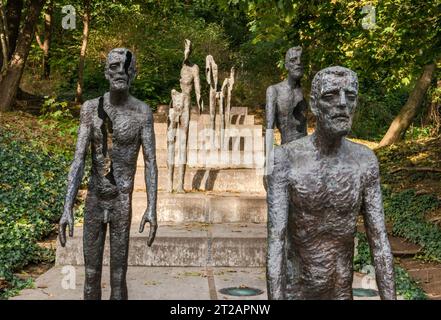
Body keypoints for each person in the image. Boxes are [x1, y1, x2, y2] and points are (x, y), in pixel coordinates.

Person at [266, 66, 396, 300]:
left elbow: (380, 242)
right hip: (297, 293)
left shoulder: (365, 162)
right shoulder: (285, 160)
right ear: (314, 105)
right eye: (331, 96)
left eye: (351, 96)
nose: (343, 104)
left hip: (341, 292)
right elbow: (276, 241)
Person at [59, 48, 158, 300]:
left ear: (133, 73)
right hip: (94, 199)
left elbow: (151, 162)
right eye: (114, 67)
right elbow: (78, 159)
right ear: (106, 72)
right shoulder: (91, 109)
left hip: (121, 201)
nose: (120, 72)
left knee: (118, 278)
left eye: (125, 67)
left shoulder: (142, 112)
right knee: (90, 276)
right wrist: (67, 206)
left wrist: (152, 207)